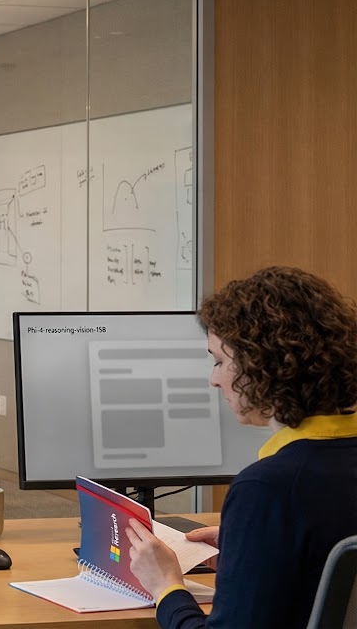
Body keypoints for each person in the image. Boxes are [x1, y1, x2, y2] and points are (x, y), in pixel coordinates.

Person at [125, 266, 357, 629]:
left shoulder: (268, 490)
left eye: (219, 360)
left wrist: (166, 587)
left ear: (261, 365)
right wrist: (251, 543)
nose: (213, 379)